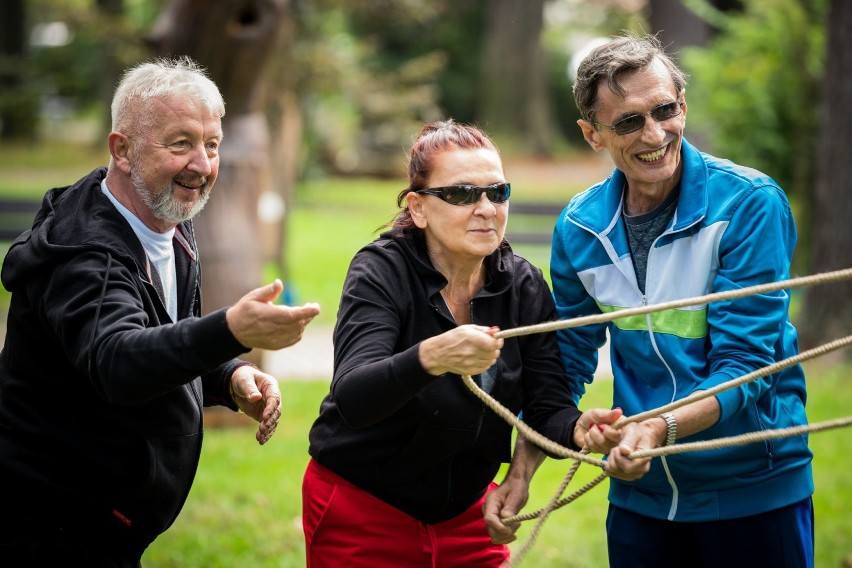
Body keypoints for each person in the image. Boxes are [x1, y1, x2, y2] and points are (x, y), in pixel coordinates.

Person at [0, 56, 321, 566]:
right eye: (181, 143)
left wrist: (228, 375)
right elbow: (118, 362)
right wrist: (231, 330)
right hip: (48, 526)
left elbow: (161, 334)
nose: (201, 165)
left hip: (108, 527)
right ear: (122, 150)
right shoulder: (83, 254)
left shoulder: (164, 213)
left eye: (211, 145)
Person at [547, 33, 814, 567]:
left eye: (664, 110)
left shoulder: (749, 203)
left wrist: (655, 428)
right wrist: (528, 468)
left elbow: (745, 366)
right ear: (592, 134)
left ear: (683, 108)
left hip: (752, 489)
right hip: (641, 497)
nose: (654, 134)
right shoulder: (578, 226)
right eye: (627, 121)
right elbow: (564, 362)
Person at [301, 119, 617, 567]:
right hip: (364, 509)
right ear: (418, 208)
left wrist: (578, 428)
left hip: (471, 516)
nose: (486, 208)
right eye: (462, 194)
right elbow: (354, 396)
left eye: (497, 192)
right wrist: (430, 357)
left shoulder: (523, 284)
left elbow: (547, 406)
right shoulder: (381, 271)